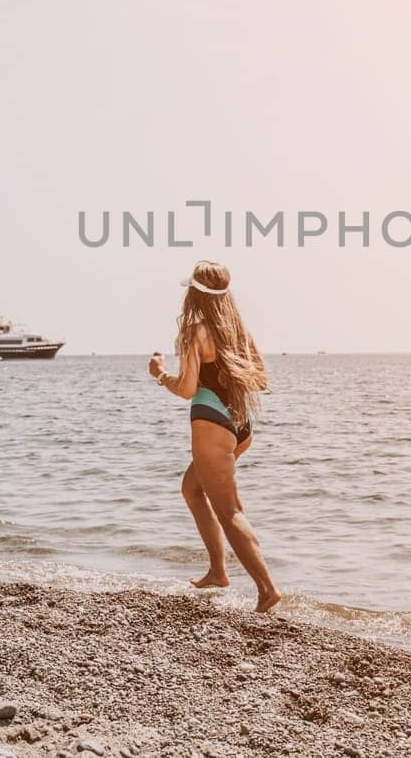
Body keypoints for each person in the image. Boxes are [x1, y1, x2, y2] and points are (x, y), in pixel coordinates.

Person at [148, 260, 281, 613]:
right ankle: (218, 572)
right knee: (192, 488)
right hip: (241, 426)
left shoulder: (195, 332)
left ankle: (267, 590)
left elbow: (188, 388)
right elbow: (262, 381)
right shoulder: (238, 331)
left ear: (194, 294)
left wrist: (160, 374)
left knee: (231, 511)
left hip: (211, 425)